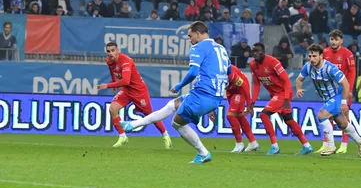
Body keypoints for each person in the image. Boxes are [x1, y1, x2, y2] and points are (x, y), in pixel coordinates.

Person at [123, 21, 231, 164]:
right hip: (215, 96)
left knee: (177, 123)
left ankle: (203, 152)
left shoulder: (198, 47)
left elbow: (193, 72)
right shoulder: (221, 48)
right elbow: (229, 71)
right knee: (172, 105)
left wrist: (180, 85)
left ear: (198, 34)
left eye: (190, 36)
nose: (189, 39)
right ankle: (133, 124)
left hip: (203, 94)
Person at [97, 42, 172, 149]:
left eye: (113, 50)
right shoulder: (108, 60)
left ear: (118, 50)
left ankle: (165, 135)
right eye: (108, 51)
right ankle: (122, 136)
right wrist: (114, 83)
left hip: (138, 91)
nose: (111, 53)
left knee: (150, 115)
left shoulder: (126, 61)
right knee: (113, 109)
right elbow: (112, 71)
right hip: (126, 91)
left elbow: (126, 81)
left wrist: (108, 85)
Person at [295, 44, 361, 156]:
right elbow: (298, 80)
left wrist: (343, 102)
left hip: (337, 95)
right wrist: (298, 89)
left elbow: (345, 83)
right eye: (310, 56)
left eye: (314, 56)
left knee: (322, 115)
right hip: (327, 98)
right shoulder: (308, 67)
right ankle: (360, 142)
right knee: (342, 124)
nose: (312, 59)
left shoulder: (330, 68)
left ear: (321, 56)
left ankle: (330, 145)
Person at [246, 42, 313, 155]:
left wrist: (286, 98)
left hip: (283, 93)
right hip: (275, 94)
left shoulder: (273, 62)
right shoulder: (253, 65)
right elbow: (257, 84)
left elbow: (286, 80)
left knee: (263, 114)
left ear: (263, 52)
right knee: (288, 120)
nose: (255, 53)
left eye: (258, 51)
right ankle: (307, 145)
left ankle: (274, 146)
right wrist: (252, 102)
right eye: (253, 51)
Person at [317, 29, 356, 154]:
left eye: (336, 39)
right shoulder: (325, 52)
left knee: (344, 116)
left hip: (342, 90)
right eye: (332, 39)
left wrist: (349, 89)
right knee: (327, 116)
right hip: (329, 90)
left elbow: (352, 72)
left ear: (341, 41)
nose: (333, 42)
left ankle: (344, 145)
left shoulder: (347, 53)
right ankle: (326, 144)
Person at [210, 65, 259, 153]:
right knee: (239, 116)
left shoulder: (229, 73)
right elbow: (214, 93)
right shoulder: (212, 76)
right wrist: (211, 110)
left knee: (230, 115)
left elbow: (243, 85)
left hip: (240, 89)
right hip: (230, 90)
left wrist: (249, 105)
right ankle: (253, 142)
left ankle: (239, 143)